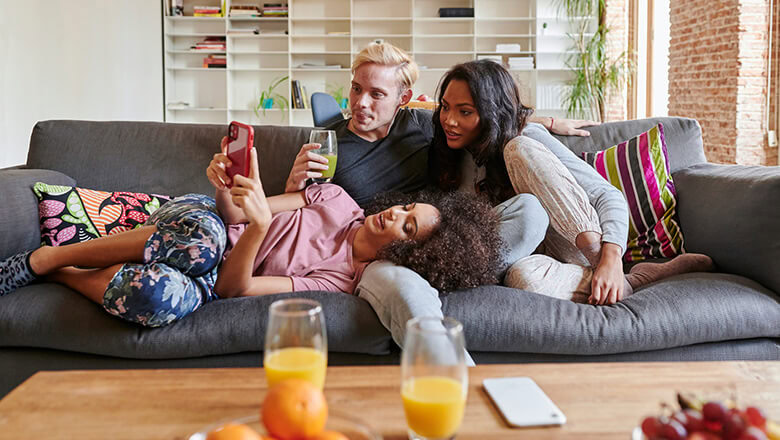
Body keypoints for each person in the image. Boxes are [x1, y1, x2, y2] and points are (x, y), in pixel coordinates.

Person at [282, 42, 604, 357]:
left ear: (402, 98)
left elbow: (479, 112)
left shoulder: (422, 124)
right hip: (381, 250)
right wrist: (293, 184)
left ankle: (458, 273)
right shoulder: (329, 144)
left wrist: (545, 122)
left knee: (529, 211)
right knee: (403, 290)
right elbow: (305, 218)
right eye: (355, 89)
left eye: (376, 94)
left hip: (443, 237)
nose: (361, 103)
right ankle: (453, 372)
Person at [0, 146, 502, 327]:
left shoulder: (340, 281)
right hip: (201, 225)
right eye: (406, 207)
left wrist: (259, 228)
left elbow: (232, 290)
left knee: (157, 298)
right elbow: (237, 214)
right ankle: (49, 256)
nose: (394, 213)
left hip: (215, 273)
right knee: (202, 241)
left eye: (407, 225)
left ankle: (63, 274)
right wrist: (231, 188)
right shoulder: (336, 200)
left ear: (411, 255)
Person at [429, 59, 714, 304]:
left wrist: (610, 259)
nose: (449, 120)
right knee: (523, 279)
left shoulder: (525, 137)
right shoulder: (448, 154)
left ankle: (607, 268)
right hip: (531, 260)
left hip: (575, 243)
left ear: (492, 113)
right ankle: (633, 281)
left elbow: (607, 195)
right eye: (445, 107)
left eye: (465, 111)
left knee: (518, 148)